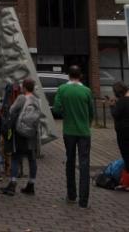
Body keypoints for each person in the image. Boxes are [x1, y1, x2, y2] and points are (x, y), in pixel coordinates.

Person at [53, 65, 94, 208]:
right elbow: (92, 111)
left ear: (68, 75)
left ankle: (71, 195)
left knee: (70, 161)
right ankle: (84, 201)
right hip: (84, 132)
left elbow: (57, 108)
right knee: (84, 164)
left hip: (69, 131)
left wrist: (66, 115)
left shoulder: (62, 89)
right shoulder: (87, 91)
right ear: (80, 76)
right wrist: (87, 123)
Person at [0, 79, 40, 196]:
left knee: (16, 157)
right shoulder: (36, 99)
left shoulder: (21, 98)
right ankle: (31, 185)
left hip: (19, 133)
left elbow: (12, 110)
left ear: (24, 88)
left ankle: (12, 185)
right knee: (32, 158)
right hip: (32, 133)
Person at [109, 82, 129, 171]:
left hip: (123, 133)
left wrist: (112, 106)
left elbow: (116, 114)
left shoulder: (122, 101)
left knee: (126, 155)